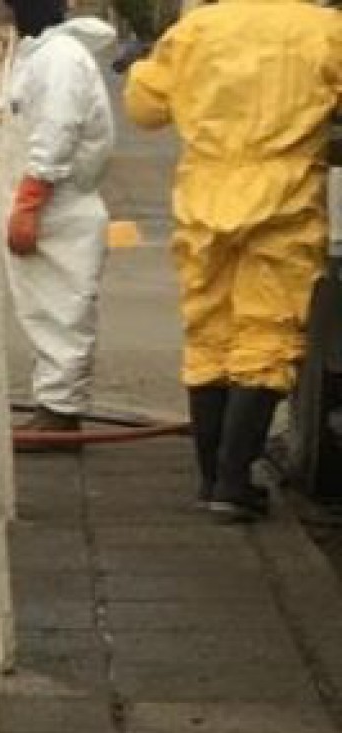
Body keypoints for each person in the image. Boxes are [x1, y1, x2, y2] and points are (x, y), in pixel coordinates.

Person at [125, 0, 342, 519]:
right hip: (283, 198)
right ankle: (231, 480)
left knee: (210, 332)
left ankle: (209, 478)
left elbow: (143, 108)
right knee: (266, 335)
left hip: (204, 196)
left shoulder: (196, 27)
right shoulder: (325, 29)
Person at [0, 0, 119, 442]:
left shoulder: (60, 59)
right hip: (52, 201)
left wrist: (30, 201)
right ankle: (54, 406)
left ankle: (59, 411)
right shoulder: (42, 54)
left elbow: (58, 131)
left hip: (58, 204)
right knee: (46, 307)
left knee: (60, 309)